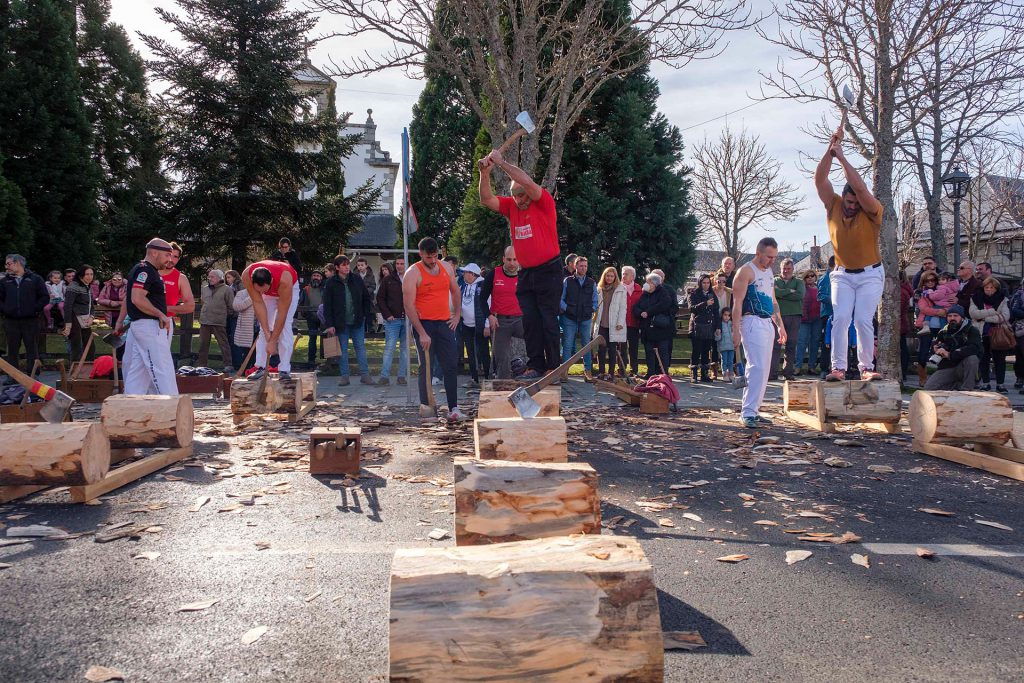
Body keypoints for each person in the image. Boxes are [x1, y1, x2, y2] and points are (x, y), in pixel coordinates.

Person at [479, 148, 561, 380]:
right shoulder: (511, 207)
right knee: (531, 322)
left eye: (522, 195)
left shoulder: (542, 201)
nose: (519, 200)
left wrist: (501, 162)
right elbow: (486, 199)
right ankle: (535, 365)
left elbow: (526, 181)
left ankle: (553, 365)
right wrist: (485, 173)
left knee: (547, 319)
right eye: (515, 196)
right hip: (527, 273)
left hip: (549, 270)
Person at [815, 126, 885, 381]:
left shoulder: (873, 210)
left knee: (863, 319)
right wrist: (831, 149)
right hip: (842, 274)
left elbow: (862, 189)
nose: (852, 207)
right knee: (841, 317)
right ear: (842, 197)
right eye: (849, 202)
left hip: (870, 274)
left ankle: (866, 367)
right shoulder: (832, 204)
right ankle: (839, 368)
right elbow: (820, 180)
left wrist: (843, 158)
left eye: (856, 203)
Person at [403, 237, 463, 421]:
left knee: (451, 365)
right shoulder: (412, 273)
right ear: (421, 254)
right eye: (428, 257)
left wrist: (457, 314)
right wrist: (421, 333)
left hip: (445, 323)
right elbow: (409, 306)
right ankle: (427, 408)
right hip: (425, 324)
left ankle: (454, 407)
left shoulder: (445, 267)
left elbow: (455, 290)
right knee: (426, 368)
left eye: (435, 256)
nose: (432, 260)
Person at [731, 237, 786, 428]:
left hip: (766, 321)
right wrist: (735, 330)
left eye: (774, 257)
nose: (772, 261)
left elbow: (773, 300)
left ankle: (754, 409)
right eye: (769, 257)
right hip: (751, 320)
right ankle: (747, 412)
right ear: (758, 253)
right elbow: (737, 304)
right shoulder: (745, 271)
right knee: (757, 367)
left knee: (765, 369)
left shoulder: (769, 272)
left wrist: (780, 325)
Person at [120, 239, 178, 395]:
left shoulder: (147, 271)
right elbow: (137, 298)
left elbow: (132, 298)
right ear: (154, 252)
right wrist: (161, 314)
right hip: (148, 326)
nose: (169, 260)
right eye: (167, 255)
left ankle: (131, 405)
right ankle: (171, 407)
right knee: (162, 368)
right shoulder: (144, 270)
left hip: (145, 325)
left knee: (139, 372)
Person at [241, 256, 299, 380]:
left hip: (289, 289)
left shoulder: (285, 280)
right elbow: (258, 303)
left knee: (286, 326)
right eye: (259, 290)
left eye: (264, 290)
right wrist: (268, 333)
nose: (261, 292)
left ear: (271, 281)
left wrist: (273, 341)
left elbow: (282, 314)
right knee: (263, 328)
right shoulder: (246, 276)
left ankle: (284, 369)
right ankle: (260, 367)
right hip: (271, 292)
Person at [322, 255, 373, 386]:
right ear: (337, 267)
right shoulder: (331, 283)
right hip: (340, 322)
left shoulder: (356, 279)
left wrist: (365, 315)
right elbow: (327, 305)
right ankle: (344, 376)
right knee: (342, 350)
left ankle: (365, 375)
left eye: (348, 264)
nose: (347, 267)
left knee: (360, 348)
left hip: (357, 321)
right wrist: (330, 324)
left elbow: (366, 298)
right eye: (343, 265)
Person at [479, 246, 525, 380]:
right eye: (509, 259)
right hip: (500, 320)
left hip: (521, 319)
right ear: (503, 259)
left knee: (535, 343)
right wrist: (489, 316)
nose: (512, 263)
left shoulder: (524, 275)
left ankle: (530, 378)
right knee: (502, 358)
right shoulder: (493, 274)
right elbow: (482, 298)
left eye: (515, 260)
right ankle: (503, 386)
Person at [1, 254, 48, 379]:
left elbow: (44, 297)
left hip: (30, 320)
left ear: (18, 264)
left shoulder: (35, 279)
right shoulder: (5, 281)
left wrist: (34, 309)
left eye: (8, 263)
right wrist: (6, 310)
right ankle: (12, 376)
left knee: (32, 348)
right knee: (12, 349)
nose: (6, 266)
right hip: (11, 321)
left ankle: (33, 375)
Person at [923, 305, 981, 391]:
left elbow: (975, 348)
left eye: (955, 316)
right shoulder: (943, 331)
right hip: (948, 367)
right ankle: (957, 386)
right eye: (949, 316)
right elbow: (936, 345)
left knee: (972, 358)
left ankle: (967, 389)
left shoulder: (972, 330)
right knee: (929, 388)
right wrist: (935, 349)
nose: (952, 318)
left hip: (964, 367)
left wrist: (951, 354)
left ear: (962, 317)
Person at [970, 277, 1010, 393]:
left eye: (992, 287)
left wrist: (984, 317)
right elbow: (973, 314)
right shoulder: (976, 298)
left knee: (1000, 360)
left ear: (996, 289)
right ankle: (985, 383)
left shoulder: (1003, 299)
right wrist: (993, 311)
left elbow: (1005, 316)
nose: (989, 289)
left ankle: (1000, 384)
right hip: (981, 333)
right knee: (983, 359)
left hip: (998, 332)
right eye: (986, 287)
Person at [634, 272, 678, 378]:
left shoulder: (663, 293)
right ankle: (650, 373)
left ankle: (663, 374)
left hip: (661, 330)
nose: (646, 284)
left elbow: (663, 305)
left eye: (648, 282)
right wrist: (640, 313)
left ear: (654, 284)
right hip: (648, 329)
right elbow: (636, 307)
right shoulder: (645, 294)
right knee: (649, 352)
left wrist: (648, 312)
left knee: (663, 352)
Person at [560, 256, 598, 379]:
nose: (583, 268)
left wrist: (591, 309)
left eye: (585, 266)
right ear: (575, 266)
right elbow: (560, 299)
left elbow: (595, 301)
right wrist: (568, 309)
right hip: (569, 318)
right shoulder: (567, 281)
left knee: (586, 344)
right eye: (581, 266)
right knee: (567, 344)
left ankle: (588, 371)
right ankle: (564, 371)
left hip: (585, 318)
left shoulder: (591, 282)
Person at [913, 271, 949, 386]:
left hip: (942, 327)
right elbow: (923, 308)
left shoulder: (944, 290)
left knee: (942, 352)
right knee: (923, 354)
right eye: (927, 280)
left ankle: (941, 378)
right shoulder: (921, 293)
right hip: (926, 327)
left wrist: (946, 311)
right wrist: (940, 312)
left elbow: (950, 305)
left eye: (932, 280)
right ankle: (922, 378)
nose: (930, 282)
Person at [458, 263, 490, 386]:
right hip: (466, 325)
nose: (463, 274)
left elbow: (489, 304)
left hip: (480, 325)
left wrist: (487, 324)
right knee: (470, 352)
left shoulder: (483, 285)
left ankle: (487, 377)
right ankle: (474, 378)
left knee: (483, 351)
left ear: (472, 274)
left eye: (465, 272)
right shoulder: (464, 286)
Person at [161, 243, 196, 359]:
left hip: (163, 323)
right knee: (133, 360)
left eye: (175, 257)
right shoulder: (149, 271)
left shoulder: (180, 278)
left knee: (160, 359)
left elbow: (190, 306)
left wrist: (167, 309)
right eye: (169, 255)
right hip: (140, 320)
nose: (171, 259)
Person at [772, 258, 804, 380]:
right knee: (776, 345)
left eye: (788, 268)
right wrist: (789, 291)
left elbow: (800, 295)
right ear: (780, 269)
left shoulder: (799, 282)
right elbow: (774, 293)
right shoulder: (774, 281)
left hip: (795, 315)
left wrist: (781, 293)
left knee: (791, 344)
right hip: (778, 316)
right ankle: (772, 373)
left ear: (793, 269)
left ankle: (788, 372)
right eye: (784, 268)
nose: (786, 271)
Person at [593, 266, 627, 380]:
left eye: (612, 276)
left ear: (615, 277)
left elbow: (623, 308)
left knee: (612, 350)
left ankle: (611, 373)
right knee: (601, 349)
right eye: (607, 275)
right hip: (602, 323)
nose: (609, 278)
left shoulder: (620, 289)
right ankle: (601, 372)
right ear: (604, 276)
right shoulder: (599, 289)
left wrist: (620, 322)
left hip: (614, 324)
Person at [376, 261, 408, 385]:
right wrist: (387, 314)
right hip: (392, 320)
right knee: (389, 348)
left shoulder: (411, 278)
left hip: (407, 319)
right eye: (398, 264)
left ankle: (401, 376)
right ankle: (384, 376)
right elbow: (380, 298)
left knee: (404, 350)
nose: (400, 266)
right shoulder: (388, 279)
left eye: (402, 263)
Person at [197, 269, 235, 371]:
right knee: (203, 345)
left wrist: (224, 314)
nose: (209, 279)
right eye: (209, 277)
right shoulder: (205, 289)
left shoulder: (227, 289)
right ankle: (202, 365)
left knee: (223, 344)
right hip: (205, 320)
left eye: (212, 277)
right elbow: (203, 301)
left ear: (219, 278)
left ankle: (228, 365)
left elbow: (231, 305)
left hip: (219, 321)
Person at [63, 264, 97, 363]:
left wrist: (91, 317)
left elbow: (92, 305)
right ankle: (74, 373)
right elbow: (68, 306)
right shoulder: (73, 286)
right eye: (87, 274)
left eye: (91, 274)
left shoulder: (88, 287)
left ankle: (88, 370)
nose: (90, 276)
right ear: (81, 275)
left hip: (86, 319)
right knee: (76, 346)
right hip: (75, 318)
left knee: (90, 346)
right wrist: (68, 325)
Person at [688, 273, 718, 383]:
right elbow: (692, 309)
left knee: (706, 350)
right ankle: (694, 373)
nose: (706, 285)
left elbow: (716, 311)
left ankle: (704, 374)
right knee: (696, 350)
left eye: (708, 283)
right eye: (704, 283)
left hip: (709, 326)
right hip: (697, 326)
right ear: (700, 283)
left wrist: (718, 327)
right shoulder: (694, 293)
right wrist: (705, 303)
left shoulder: (712, 294)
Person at [795, 270, 821, 375]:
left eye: (812, 276)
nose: (810, 278)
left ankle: (812, 367)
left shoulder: (820, 288)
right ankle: (798, 367)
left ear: (815, 277)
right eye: (807, 276)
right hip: (804, 319)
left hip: (817, 319)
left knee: (814, 344)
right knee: (801, 343)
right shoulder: (802, 288)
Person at [299, 270, 326, 366]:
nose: (316, 277)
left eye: (318, 276)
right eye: (314, 275)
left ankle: (327, 362)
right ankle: (311, 360)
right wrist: (305, 313)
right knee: (312, 338)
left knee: (326, 337)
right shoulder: (305, 289)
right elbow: (301, 302)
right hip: (311, 317)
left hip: (323, 317)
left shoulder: (325, 289)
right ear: (311, 277)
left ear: (321, 278)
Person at [710, 272, 732, 380]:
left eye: (724, 281)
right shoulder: (711, 291)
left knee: (727, 345)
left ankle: (728, 370)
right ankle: (714, 369)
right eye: (719, 281)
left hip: (725, 320)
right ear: (715, 280)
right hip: (713, 320)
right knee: (714, 346)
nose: (721, 283)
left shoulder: (728, 292)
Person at [817, 256, 835, 378]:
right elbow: (821, 296)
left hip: (838, 314)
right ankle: (824, 368)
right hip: (828, 315)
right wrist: (836, 301)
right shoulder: (825, 278)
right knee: (826, 343)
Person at [231, 284, 256, 372]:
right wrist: (252, 297)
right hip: (247, 328)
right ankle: (245, 371)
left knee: (259, 353)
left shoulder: (265, 293)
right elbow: (237, 306)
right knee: (246, 353)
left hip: (260, 327)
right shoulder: (241, 293)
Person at [355, 257, 379, 334]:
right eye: (358, 265)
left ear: (366, 265)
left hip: (368, 298)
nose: (360, 267)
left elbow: (373, 286)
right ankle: (361, 329)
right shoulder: (354, 275)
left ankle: (371, 328)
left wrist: (365, 292)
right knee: (359, 314)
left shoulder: (370, 275)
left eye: (362, 265)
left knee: (369, 313)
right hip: (358, 298)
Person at [1011, 278, 1024, 393]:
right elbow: (1015, 310)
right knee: (1020, 355)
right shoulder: (1019, 295)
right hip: (1021, 329)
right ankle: (1020, 378)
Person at [717, 308, 736, 382]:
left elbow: (735, 334)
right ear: (722, 315)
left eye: (728, 315)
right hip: (723, 346)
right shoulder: (720, 324)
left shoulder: (731, 324)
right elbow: (717, 338)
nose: (727, 317)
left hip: (731, 346)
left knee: (730, 361)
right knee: (724, 361)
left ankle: (731, 374)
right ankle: (725, 374)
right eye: (725, 315)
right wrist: (717, 334)